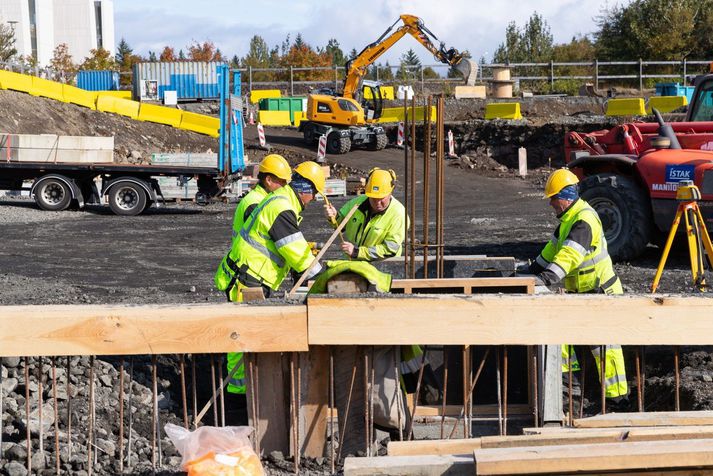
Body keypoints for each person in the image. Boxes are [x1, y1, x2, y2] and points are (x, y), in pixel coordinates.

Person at [214, 161, 326, 423]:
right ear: (306, 189)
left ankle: (241, 409)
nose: (312, 202)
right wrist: (322, 273)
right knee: (240, 348)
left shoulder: (280, 201)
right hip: (247, 280)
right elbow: (297, 254)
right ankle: (237, 417)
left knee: (243, 345)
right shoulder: (282, 208)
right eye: (314, 195)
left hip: (249, 278)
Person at [525, 168, 628, 407]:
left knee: (605, 349)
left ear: (565, 196)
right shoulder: (566, 221)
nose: (551, 203)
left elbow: (569, 256)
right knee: (561, 343)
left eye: (553, 198)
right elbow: (548, 255)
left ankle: (617, 401)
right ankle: (569, 396)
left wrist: (547, 278)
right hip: (581, 296)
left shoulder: (583, 220)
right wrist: (524, 274)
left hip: (601, 294)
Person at [325, 167, 407, 261]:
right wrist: (333, 217)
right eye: (373, 198)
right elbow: (340, 226)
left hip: (382, 266)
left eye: (381, 198)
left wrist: (357, 252)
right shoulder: (358, 203)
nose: (377, 202)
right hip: (354, 262)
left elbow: (390, 249)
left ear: (390, 192)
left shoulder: (399, 214)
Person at [231, 154, 291, 241]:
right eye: (282, 181)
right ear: (268, 180)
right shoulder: (254, 204)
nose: (285, 185)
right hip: (248, 254)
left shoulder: (263, 198)